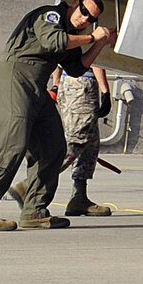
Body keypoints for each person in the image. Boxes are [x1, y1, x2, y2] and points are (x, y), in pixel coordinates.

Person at [0, 0, 112, 231]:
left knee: (53, 146)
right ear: (75, 3)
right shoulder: (50, 16)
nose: (84, 19)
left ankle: (35, 211)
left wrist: (99, 43)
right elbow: (53, 41)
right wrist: (91, 36)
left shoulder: (73, 33)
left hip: (37, 86)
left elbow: (75, 68)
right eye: (83, 11)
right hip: (16, 78)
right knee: (10, 144)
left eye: (90, 19)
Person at [52, 59, 112, 217]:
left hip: (69, 83)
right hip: (82, 84)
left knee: (89, 145)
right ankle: (31, 185)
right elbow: (97, 57)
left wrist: (56, 83)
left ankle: (79, 197)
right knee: (77, 141)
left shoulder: (69, 33)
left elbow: (58, 56)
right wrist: (105, 90)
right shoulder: (90, 34)